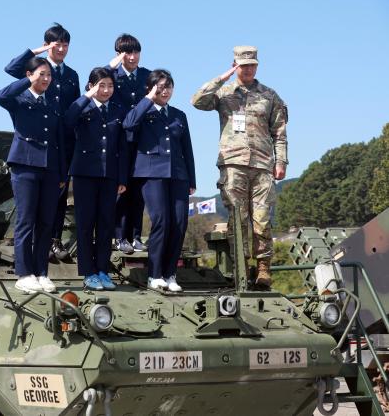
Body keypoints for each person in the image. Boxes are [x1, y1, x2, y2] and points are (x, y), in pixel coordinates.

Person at [191, 46, 288, 289]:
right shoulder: (224, 93)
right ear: (235, 65)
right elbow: (197, 101)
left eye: (252, 64)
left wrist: (281, 161)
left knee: (262, 219)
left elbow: (280, 133)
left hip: (263, 165)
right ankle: (241, 267)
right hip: (233, 163)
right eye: (243, 65)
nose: (248, 69)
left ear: (257, 65)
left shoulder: (270, 95)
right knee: (237, 220)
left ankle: (264, 267)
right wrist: (221, 78)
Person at [4, 24, 81, 262]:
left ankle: (54, 240)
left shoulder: (71, 75)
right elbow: (11, 69)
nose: (61, 48)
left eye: (65, 44)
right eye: (56, 44)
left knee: (58, 194)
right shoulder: (36, 69)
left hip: (62, 141)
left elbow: (75, 108)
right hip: (34, 143)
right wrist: (36, 52)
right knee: (31, 204)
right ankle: (35, 246)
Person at [0, 57, 67, 293]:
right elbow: (1, 95)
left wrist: (62, 172)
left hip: (50, 168)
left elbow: (59, 142)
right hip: (25, 165)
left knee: (46, 222)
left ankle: (41, 272)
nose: (46, 79)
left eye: (48, 75)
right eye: (41, 74)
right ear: (30, 74)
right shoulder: (19, 99)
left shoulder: (53, 104)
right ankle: (24, 273)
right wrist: (27, 80)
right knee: (26, 220)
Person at [123, 70, 196, 292]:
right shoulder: (142, 111)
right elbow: (128, 124)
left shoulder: (178, 115)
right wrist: (149, 98)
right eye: (161, 87)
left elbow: (187, 149)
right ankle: (154, 275)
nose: (166, 91)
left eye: (169, 87)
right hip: (151, 174)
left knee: (179, 223)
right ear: (151, 88)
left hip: (178, 175)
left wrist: (192, 179)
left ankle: (170, 274)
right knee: (161, 221)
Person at [65, 68, 128, 290]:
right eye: (101, 85)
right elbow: (68, 120)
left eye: (110, 86)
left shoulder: (119, 111)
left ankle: (103, 270)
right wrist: (88, 97)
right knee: (85, 224)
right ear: (91, 86)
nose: (106, 90)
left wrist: (122, 177)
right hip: (84, 174)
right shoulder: (82, 107)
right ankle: (88, 272)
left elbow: (122, 146)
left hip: (109, 175)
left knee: (106, 225)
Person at [107, 34, 150, 254]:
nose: (133, 57)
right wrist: (110, 67)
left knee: (138, 191)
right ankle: (119, 236)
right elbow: (95, 82)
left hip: (142, 140)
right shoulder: (111, 76)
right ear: (119, 55)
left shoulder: (146, 76)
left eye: (136, 52)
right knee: (121, 188)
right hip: (120, 139)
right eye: (127, 52)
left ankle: (135, 236)